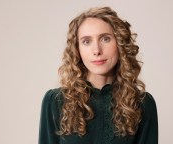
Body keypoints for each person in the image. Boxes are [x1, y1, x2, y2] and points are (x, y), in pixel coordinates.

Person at [39, 6, 158, 144]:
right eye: (86, 41)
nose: (96, 50)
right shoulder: (55, 101)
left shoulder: (142, 104)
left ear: (120, 44)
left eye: (105, 39)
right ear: (77, 50)